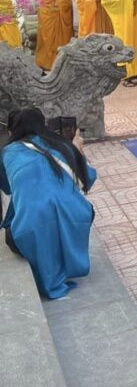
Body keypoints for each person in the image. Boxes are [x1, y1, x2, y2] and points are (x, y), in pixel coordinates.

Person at [0, 108, 96, 299]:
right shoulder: (63, 146)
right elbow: (89, 178)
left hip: (28, 232)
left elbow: (9, 189)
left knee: (19, 225)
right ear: (43, 125)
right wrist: (77, 150)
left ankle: (48, 260)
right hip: (76, 219)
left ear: (11, 132)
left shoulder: (7, 153)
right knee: (80, 208)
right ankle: (68, 253)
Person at [35, 0, 73, 71]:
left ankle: (44, 62)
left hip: (45, 17)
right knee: (55, 42)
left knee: (46, 41)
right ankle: (55, 63)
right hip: (54, 19)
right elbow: (63, 4)